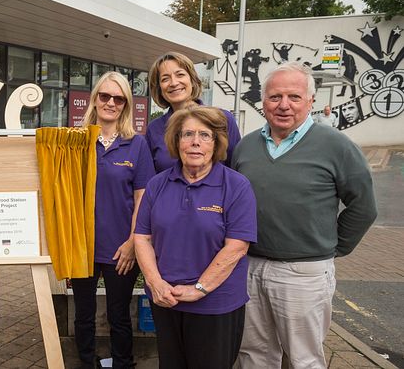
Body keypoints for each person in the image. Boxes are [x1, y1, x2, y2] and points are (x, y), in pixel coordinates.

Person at [233, 62, 377, 368]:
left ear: (310, 101)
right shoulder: (246, 147)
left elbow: (363, 207)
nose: (284, 105)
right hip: (249, 266)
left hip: (303, 273)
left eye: (294, 97)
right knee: (253, 355)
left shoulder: (336, 145)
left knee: (305, 359)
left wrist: (333, 247)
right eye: (275, 97)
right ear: (263, 101)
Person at [134, 106, 257, 369]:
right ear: (176, 141)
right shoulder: (158, 184)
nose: (195, 142)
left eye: (205, 135)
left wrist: (199, 289)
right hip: (166, 301)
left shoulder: (236, 186)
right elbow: (142, 237)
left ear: (217, 143)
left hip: (215, 305)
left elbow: (236, 247)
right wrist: (155, 283)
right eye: (187, 134)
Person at [72, 71, 154, 368]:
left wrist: (133, 242)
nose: (110, 103)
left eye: (118, 98)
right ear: (94, 99)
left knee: (119, 314)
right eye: (104, 96)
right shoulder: (77, 142)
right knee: (83, 313)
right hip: (82, 245)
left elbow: (142, 199)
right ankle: (86, 362)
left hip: (121, 247)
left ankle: (123, 364)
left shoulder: (137, 144)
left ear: (126, 105)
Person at [146, 52, 241, 173]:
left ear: (192, 79)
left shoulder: (223, 119)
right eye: (165, 79)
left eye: (180, 75)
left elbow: (236, 170)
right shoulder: (154, 129)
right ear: (159, 88)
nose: (174, 83)